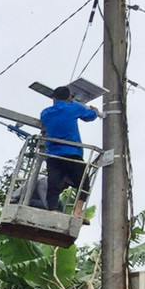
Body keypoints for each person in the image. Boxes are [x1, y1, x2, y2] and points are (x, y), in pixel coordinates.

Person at [39, 86, 100, 218]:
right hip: (72, 152)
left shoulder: (45, 113)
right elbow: (89, 116)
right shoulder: (73, 107)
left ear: (53, 98)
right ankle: (77, 211)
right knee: (84, 183)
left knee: (53, 184)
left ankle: (53, 209)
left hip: (53, 153)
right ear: (69, 98)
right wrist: (95, 111)